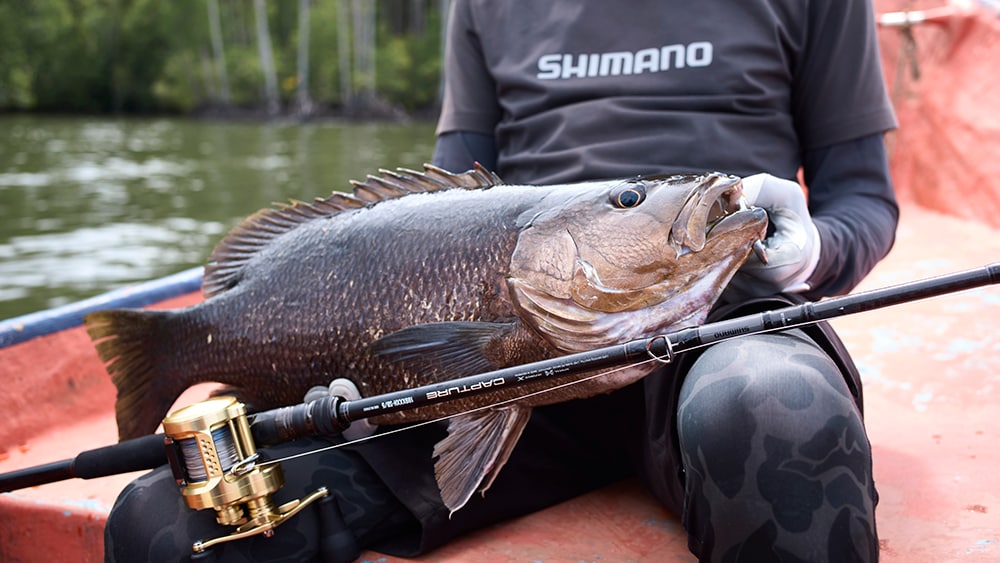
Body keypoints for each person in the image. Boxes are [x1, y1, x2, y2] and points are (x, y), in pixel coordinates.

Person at [104, 1, 897, 561]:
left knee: (774, 414)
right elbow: (439, 206)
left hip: (717, 327)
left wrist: (813, 247)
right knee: (165, 521)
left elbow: (863, 198)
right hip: (500, 365)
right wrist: (364, 349)